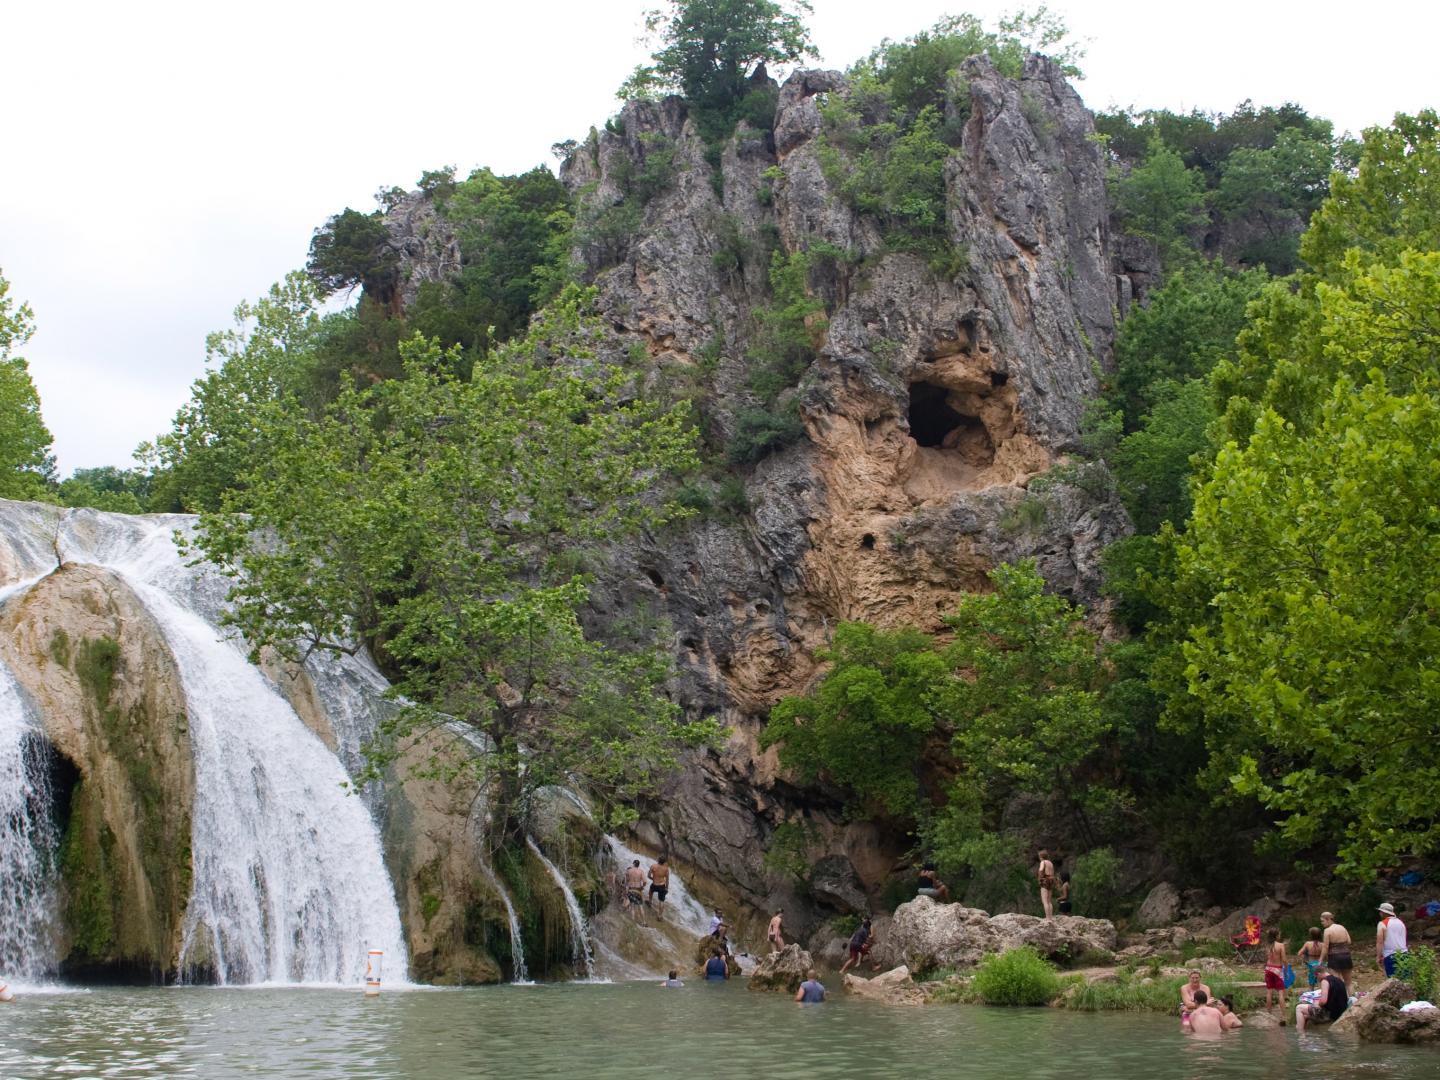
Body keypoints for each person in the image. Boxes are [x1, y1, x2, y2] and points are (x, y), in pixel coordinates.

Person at [1295, 965, 1349, 1032]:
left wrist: (1317, 1003)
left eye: (1316, 977)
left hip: (1330, 1014)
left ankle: (1300, 1033)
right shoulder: (1339, 980)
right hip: (1341, 1012)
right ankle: (1304, 1028)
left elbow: (1323, 1001)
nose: (1317, 979)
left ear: (1318, 974)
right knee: (1305, 1016)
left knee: (1299, 1008)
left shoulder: (1325, 981)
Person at [1376, 902, 1408, 977]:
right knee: (1405, 980)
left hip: (1390, 955)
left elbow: (1380, 942)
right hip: (1404, 954)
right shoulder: (1401, 923)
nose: (1379, 913)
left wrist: (1378, 956)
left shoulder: (1382, 924)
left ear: (1383, 912)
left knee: (1392, 981)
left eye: (1380, 911)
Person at [1320, 911, 1353, 981]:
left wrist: (1321, 960)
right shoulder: (1342, 927)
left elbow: (1325, 947)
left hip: (1334, 957)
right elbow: (1349, 941)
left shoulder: (1327, 930)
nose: (1321, 923)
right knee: (1348, 983)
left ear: (1328, 919)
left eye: (1322, 921)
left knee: (1337, 981)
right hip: (1346, 956)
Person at [1263, 928, 1288, 1015]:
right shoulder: (1281, 945)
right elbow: (1284, 959)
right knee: (1281, 993)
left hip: (1268, 968)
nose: (1280, 936)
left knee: (1269, 992)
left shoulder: (1267, 945)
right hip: (1278, 969)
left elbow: (1267, 957)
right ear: (1276, 936)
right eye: (1279, 934)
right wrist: (1287, 970)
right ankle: (1284, 1015)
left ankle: (1269, 1013)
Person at [623, 859, 647, 923]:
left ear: (633, 864)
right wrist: (642, 887)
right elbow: (645, 881)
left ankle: (632, 921)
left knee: (632, 906)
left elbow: (626, 880)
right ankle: (644, 922)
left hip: (631, 890)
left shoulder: (629, 870)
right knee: (640, 906)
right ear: (638, 865)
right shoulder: (641, 871)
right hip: (638, 890)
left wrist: (626, 888)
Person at [1037, 850, 1057, 919]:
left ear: (1041, 857)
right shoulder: (1050, 863)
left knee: (1045, 901)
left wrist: (1039, 879)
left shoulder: (1043, 862)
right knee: (1049, 901)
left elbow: (1041, 870)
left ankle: (1048, 918)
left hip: (1045, 880)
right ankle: (1050, 917)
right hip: (1051, 880)